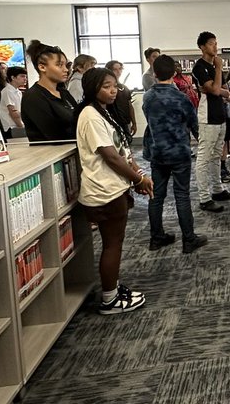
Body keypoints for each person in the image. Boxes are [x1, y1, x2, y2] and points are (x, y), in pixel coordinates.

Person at [75, 67, 153, 314]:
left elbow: (122, 151)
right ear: (92, 88)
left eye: (115, 86)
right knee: (112, 244)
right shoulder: (90, 115)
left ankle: (113, 288)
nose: (112, 91)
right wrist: (138, 180)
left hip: (115, 187)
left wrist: (136, 175)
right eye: (106, 86)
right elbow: (110, 157)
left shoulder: (103, 112)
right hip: (104, 190)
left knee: (115, 242)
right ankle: (109, 299)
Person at [141, 55, 207, 255]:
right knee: (182, 195)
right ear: (174, 73)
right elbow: (193, 124)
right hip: (178, 152)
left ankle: (156, 237)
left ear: (154, 73)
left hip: (157, 152)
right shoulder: (181, 98)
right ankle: (189, 239)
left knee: (156, 196)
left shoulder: (148, 97)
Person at [191, 32, 230, 213]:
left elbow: (223, 90)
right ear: (202, 47)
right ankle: (204, 198)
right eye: (211, 44)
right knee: (204, 157)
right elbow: (216, 90)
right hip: (208, 117)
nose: (215, 47)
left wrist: (218, 90)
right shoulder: (199, 67)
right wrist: (218, 70)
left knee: (217, 154)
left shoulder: (213, 67)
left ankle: (217, 190)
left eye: (216, 43)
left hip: (220, 114)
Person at [21, 40, 78, 142]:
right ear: (42, 67)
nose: (66, 70)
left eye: (66, 65)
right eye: (59, 65)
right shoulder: (33, 97)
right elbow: (54, 135)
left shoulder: (64, 93)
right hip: (51, 154)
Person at [105, 60, 137, 139]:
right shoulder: (107, 89)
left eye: (120, 69)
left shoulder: (124, 88)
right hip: (113, 123)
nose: (118, 72)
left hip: (125, 123)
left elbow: (129, 105)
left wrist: (134, 123)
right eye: (115, 69)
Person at [0, 66, 28, 136]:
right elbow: (13, 112)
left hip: (17, 126)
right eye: (22, 76)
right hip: (10, 128)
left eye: (26, 77)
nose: (25, 79)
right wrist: (22, 127)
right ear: (13, 77)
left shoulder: (18, 92)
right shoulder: (7, 91)